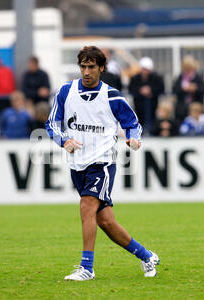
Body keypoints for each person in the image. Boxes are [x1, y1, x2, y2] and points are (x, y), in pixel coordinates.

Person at [45, 46, 160, 281]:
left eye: (91, 67)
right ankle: (147, 256)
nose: (86, 71)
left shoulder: (112, 95)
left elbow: (132, 122)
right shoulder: (66, 91)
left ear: (101, 68)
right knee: (106, 222)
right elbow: (51, 123)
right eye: (83, 67)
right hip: (78, 162)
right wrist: (63, 140)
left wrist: (133, 138)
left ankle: (87, 267)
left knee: (86, 205)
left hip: (103, 161)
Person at [129, 56, 165, 135]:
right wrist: (140, 91)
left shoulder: (156, 78)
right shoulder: (135, 78)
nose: (145, 72)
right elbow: (131, 89)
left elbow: (161, 89)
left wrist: (151, 91)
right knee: (139, 119)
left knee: (152, 120)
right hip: (139, 105)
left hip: (153, 104)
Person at [172, 55, 204, 124]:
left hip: (196, 104)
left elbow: (203, 89)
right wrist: (183, 89)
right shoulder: (180, 77)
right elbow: (175, 89)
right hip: (182, 106)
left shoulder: (198, 77)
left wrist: (195, 88)